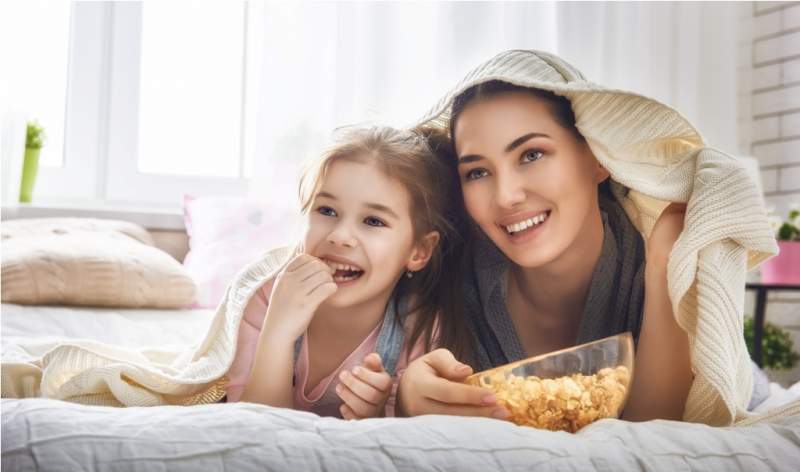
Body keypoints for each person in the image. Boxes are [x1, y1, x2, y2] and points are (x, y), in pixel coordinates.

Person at [398, 50, 775, 425]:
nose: (506, 196)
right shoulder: (454, 277)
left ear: (597, 158)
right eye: (477, 172)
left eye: (531, 154)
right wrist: (408, 396)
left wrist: (664, 270)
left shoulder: (657, 259)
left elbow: (657, 435)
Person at [224, 126, 471, 419]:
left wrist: (376, 416)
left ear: (418, 251)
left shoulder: (420, 332)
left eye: (373, 221)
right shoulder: (265, 297)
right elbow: (250, 427)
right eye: (327, 211)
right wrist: (277, 332)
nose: (340, 236)